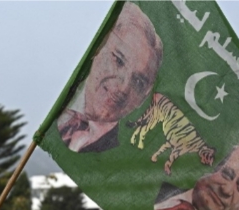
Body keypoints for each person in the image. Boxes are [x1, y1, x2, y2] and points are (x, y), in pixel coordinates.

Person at [58, 2, 163, 153]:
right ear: (99, 48)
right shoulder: (61, 97)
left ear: (145, 95)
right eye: (119, 61)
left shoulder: (117, 154)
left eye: (138, 81)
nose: (123, 88)